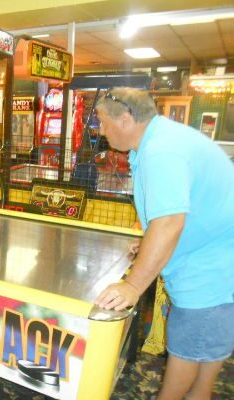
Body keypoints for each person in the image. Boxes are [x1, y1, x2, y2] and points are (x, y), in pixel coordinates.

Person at [93, 87, 234, 400]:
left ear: (126, 118)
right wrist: (148, 244)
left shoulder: (161, 150)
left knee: (188, 348)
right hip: (219, 262)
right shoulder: (162, 139)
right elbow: (178, 209)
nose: (101, 131)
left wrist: (132, 286)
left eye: (102, 122)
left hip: (209, 270)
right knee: (208, 349)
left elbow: (169, 222)